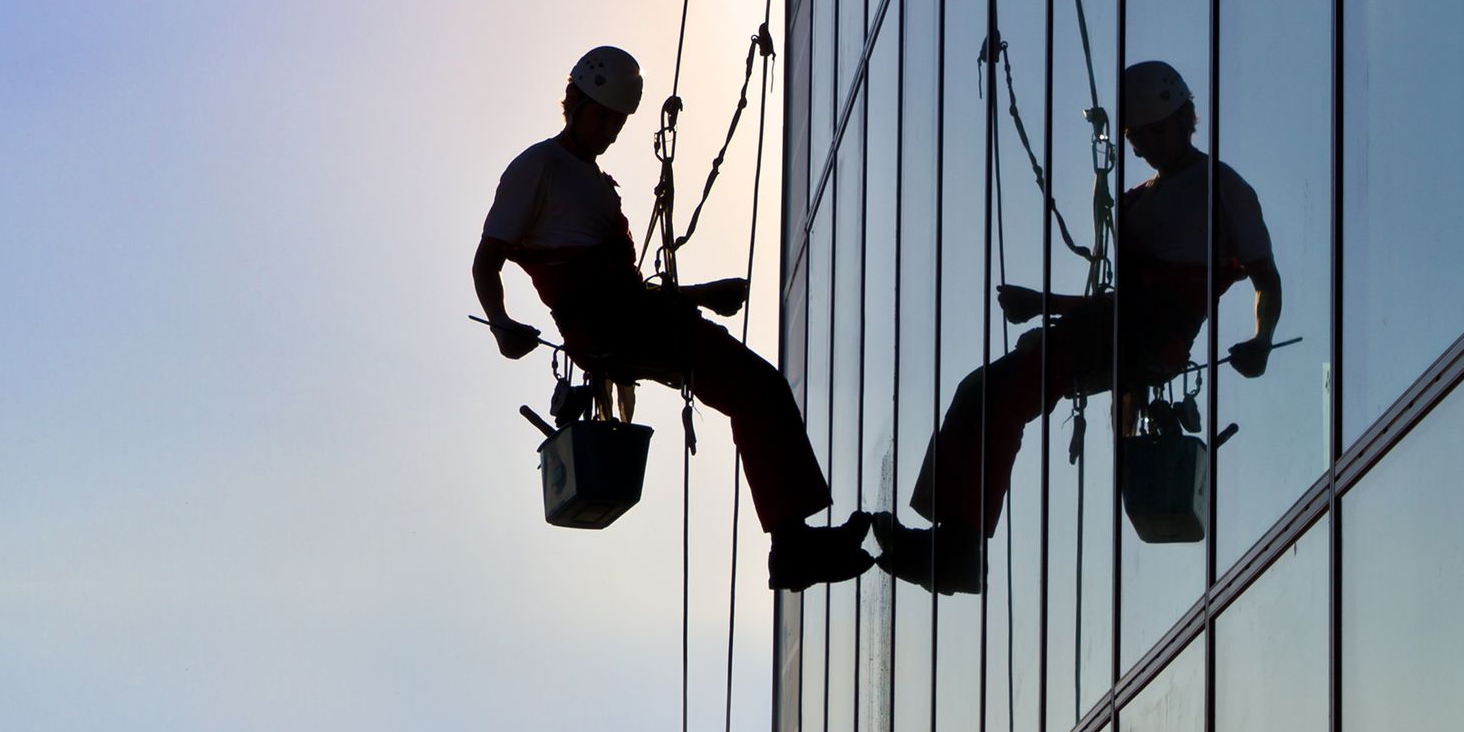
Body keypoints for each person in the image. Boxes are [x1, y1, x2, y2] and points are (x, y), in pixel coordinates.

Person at [875, 61, 1282, 593]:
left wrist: (1262, 340)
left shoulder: (1223, 189)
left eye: (1156, 132)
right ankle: (954, 540)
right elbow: (1122, 303)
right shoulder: (1136, 203)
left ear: (1186, 120)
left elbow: (1265, 278)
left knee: (1004, 390)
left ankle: (958, 548)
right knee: (982, 389)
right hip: (1121, 329)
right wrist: (1045, 303)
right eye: (1140, 138)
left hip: (1148, 337)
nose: (1148, 146)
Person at [473, 46, 870, 591]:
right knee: (755, 386)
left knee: (756, 388)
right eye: (603, 117)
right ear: (575, 103)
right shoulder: (539, 167)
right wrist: (500, 324)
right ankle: (793, 545)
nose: (611, 130)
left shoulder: (591, 181)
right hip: (608, 325)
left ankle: (794, 540)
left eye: (619, 121)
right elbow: (487, 260)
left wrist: (700, 296)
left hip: (625, 319)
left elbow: (625, 292)